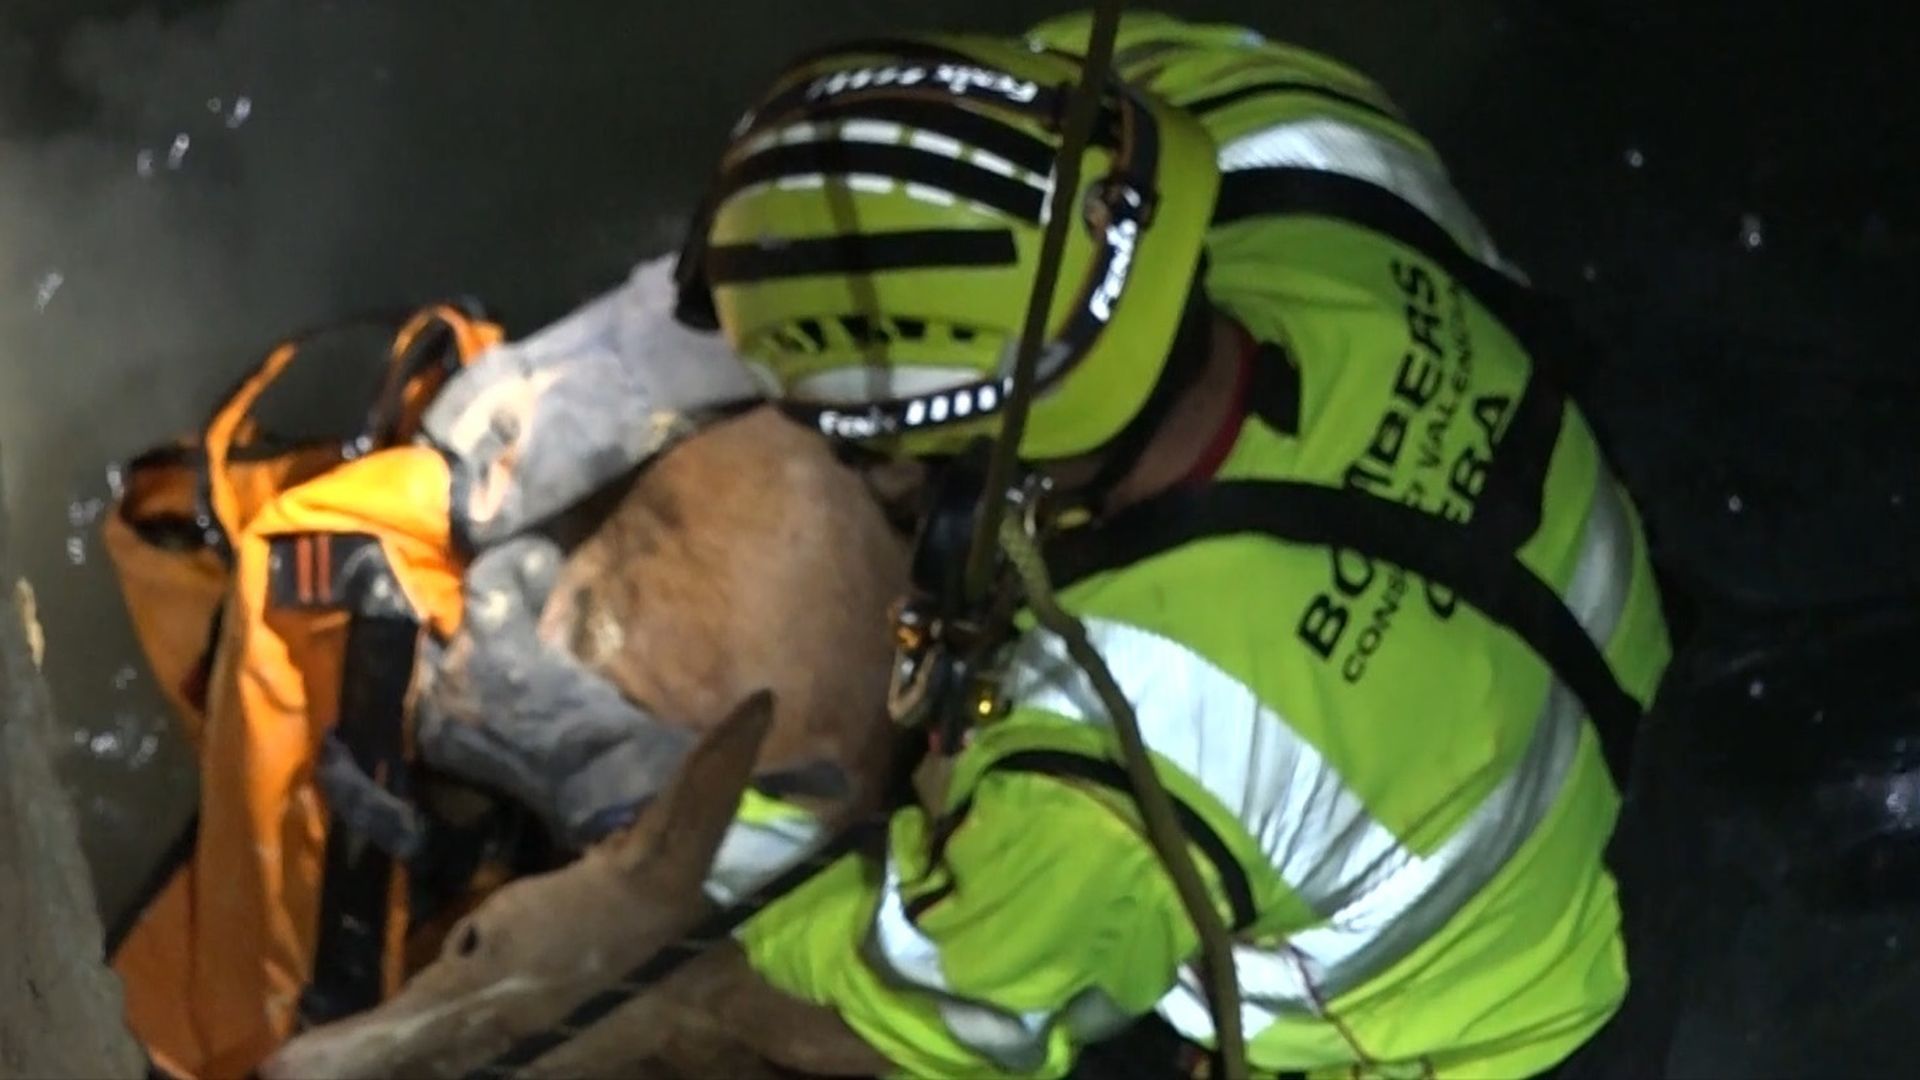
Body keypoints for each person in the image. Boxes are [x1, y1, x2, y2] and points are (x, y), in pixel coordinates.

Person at [655, 10, 1679, 1079]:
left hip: (1505, 1022)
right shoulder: (1307, 151)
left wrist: (712, 860)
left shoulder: (1118, 743)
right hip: (1645, 742)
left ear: (963, 445)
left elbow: (930, 1003)